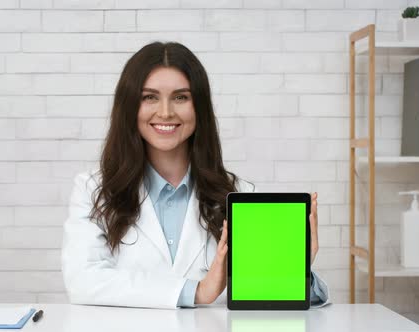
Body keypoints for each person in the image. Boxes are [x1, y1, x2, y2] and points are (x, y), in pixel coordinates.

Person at [61, 42, 329, 309]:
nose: (165, 112)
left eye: (181, 97)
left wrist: (294, 270)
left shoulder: (239, 194)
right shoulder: (93, 190)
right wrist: (196, 292)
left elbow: (261, 293)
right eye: (149, 97)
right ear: (129, 106)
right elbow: (83, 281)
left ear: (199, 107)